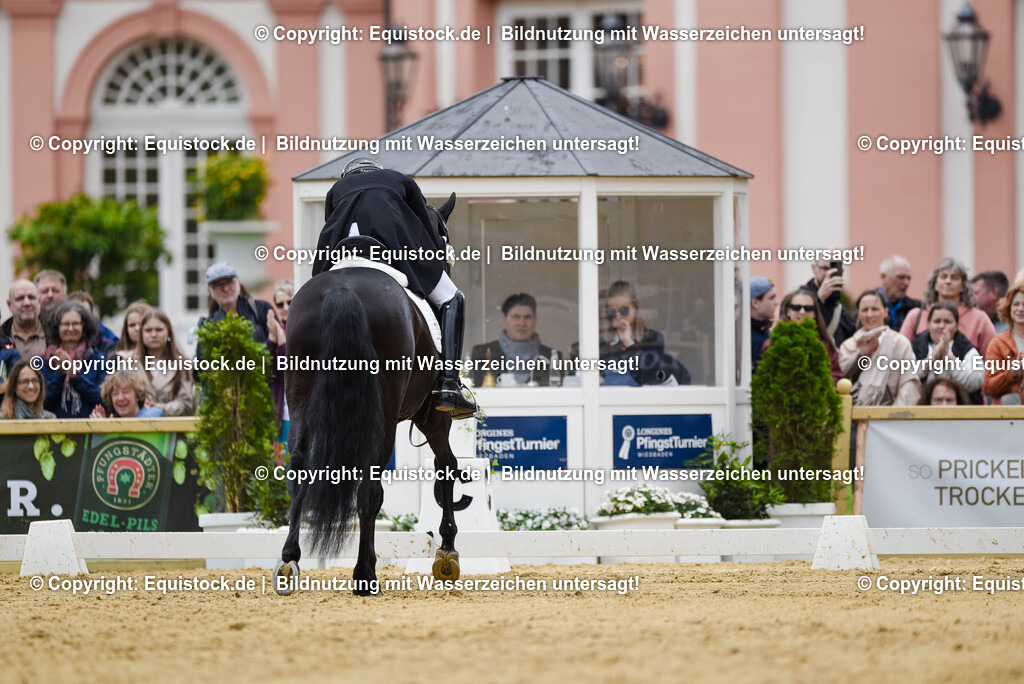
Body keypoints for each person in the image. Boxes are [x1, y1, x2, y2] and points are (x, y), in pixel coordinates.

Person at [312, 157, 475, 416]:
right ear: (378, 171)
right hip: (395, 255)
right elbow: (423, 225)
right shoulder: (398, 179)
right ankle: (448, 385)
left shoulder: (336, 191)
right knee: (452, 297)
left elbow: (330, 232)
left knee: (310, 303)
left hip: (343, 258)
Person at [839, 290, 921, 406]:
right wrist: (861, 355)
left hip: (889, 415)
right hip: (854, 414)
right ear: (858, 314)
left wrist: (894, 415)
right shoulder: (849, 345)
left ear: (885, 312)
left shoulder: (900, 343)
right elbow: (840, 379)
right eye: (865, 310)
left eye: (875, 309)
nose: (870, 314)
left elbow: (909, 383)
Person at [900, 257, 996, 355]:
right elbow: (899, 355)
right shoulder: (915, 316)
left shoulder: (979, 319)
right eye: (943, 276)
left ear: (963, 286)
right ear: (935, 284)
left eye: (954, 277)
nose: (948, 281)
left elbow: (993, 359)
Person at [599, 280, 686, 386]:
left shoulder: (653, 339)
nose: (618, 316)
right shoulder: (602, 343)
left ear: (635, 309)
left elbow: (651, 377)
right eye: (612, 312)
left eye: (624, 310)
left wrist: (629, 343)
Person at [471, 293, 557, 386]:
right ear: (504, 320)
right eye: (516, 317)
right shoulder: (482, 353)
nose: (522, 323)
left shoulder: (552, 356)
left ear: (535, 320)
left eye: (527, 317)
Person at [41, 300, 107, 418]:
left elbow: (104, 399)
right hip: (52, 429)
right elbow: (41, 403)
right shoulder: (44, 361)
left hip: (89, 429)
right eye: (66, 324)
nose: (71, 328)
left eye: (76, 324)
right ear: (57, 327)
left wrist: (75, 377)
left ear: (84, 327)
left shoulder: (99, 360)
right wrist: (60, 374)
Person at [909, 301, 983, 404]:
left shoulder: (967, 349)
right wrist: (931, 360)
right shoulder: (914, 347)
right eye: (937, 321)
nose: (942, 326)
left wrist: (950, 360)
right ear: (928, 324)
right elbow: (904, 376)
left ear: (956, 325)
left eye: (947, 322)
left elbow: (976, 382)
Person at [135, 309, 196, 416]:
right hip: (137, 428)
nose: (153, 334)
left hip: (173, 428)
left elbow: (187, 404)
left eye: (159, 330)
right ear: (141, 334)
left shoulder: (183, 364)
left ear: (168, 332)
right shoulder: (129, 364)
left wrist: (157, 409)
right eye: (148, 330)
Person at [773, 289, 841, 383]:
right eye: (796, 307)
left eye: (808, 308)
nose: (802, 312)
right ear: (788, 311)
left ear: (814, 313)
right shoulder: (775, 341)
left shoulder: (824, 345)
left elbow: (836, 376)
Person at [982, 283, 1024, 405]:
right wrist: (1011, 374)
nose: (1020, 309)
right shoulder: (998, 343)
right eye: (1016, 304)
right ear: (1009, 308)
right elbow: (990, 388)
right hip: (1006, 414)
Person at [803, 259, 856, 346]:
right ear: (814, 268)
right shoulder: (798, 299)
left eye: (833, 269)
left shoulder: (840, 308)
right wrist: (819, 298)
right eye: (825, 268)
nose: (829, 274)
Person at [90, 370, 164, 418]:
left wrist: (109, 429)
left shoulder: (153, 414)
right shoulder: (113, 421)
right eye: (115, 393)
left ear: (137, 395)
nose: (120, 398)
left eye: (126, 392)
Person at [2, 279, 45, 360]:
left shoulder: (55, 336)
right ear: (9, 304)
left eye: (31, 297)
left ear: (39, 301)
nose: (27, 303)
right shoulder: (2, 338)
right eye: (20, 298)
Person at [877, 254, 921, 331]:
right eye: (901, 277)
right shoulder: (866, 306)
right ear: (883, 276)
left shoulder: (916, 308)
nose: (906, 283)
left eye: (908, 278)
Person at [68, 291, 118, 356]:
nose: (82, 317)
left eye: (86, 312)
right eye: (77, 312)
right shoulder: (55, 342)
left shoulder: (108, 342)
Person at [750, 276, 776, 372]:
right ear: (755, 303)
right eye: (771, 298)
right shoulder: (744, 337)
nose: (776, 302)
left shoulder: (765, 330)